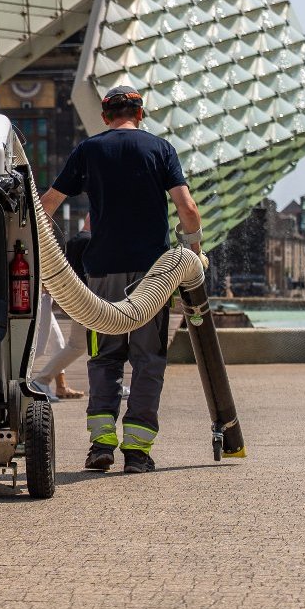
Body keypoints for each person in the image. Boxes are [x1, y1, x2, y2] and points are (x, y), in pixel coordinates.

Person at [39, 85, 202, 475]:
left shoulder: (88, 150)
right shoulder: (160, 149)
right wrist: (192, 250)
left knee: (104, 357)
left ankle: (101, 445)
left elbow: (45, 207)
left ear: (104, 115)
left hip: (102, 276)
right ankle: (138, 451)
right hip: (154, 276)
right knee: (148, 360)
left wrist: (46, 256)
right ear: (140, 114)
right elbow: (187, 208)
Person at [29, 217, 90, 402]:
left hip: (45, 296)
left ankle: (59, 386)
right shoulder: (34, 239)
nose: (49, 224)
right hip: (39, 297)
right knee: (38, 349)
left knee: (59, 344)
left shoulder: (47, 240)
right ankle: (33, 384)